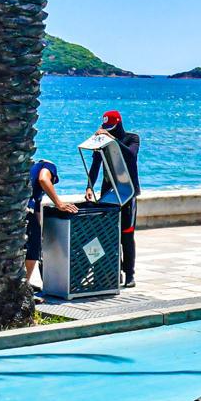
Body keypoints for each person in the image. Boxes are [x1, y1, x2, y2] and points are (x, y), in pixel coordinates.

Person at [86, 110, 141, 287]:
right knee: (109, 235)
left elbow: (131, 156)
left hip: (128, 193)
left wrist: (112, 138)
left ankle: (130, 273)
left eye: (111, 127)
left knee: (126, 234)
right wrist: (89, 186)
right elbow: (95, 165)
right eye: (106, 127)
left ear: (119, 124)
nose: (108, 130)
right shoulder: (103, 141)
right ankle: (113, 272)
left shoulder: (132, 138)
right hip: (109, 193)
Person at [26, 158, 77, 285]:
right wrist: (59, 204)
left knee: (29, 245)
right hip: (26, 209)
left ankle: (22, 282)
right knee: (33, 248)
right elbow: (43, 179)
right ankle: (24, 286)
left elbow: (37, 210)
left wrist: (40, 233)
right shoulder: (49, 166)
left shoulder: (29, 174)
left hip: (17, 209)